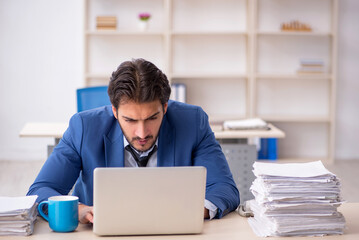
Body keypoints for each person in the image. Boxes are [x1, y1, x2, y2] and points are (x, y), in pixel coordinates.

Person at [27, 58, 240, 223]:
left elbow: (224, 188)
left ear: (165, 108)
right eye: (129, 120)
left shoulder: (192, 122)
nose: (141, 132)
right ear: (114, 111)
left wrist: (188, 212)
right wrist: (79, 211)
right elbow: (41, 190)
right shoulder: (83, 127)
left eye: (152, 118)